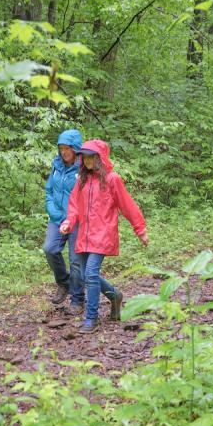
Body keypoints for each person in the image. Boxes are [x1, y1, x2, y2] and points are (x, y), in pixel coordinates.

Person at [60, 139, 148, 333]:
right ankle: (115, 295)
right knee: (86, 275)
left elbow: (127, 205)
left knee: (90, 273)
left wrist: (140, 229)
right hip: (84, 234)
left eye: (91, 156)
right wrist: (68, 222)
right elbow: (74, 205)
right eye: (84, 157)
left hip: (103, 233)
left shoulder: (112, 179)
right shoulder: (82, 180)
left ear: (100, 158)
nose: (87, 160)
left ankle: (91, 318)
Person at [43, 128, 85, 313]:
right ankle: (64, 283)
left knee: (76, 261)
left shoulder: (85, 168)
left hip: (77, 220)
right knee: (50, 249)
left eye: (67, 148)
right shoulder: (57, 165)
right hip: (57, 218)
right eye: (61, 148)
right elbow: (49, 191)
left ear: (75, 148)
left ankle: (77, 300)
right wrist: (52, 210)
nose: (64, 152)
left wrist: (73, 217)